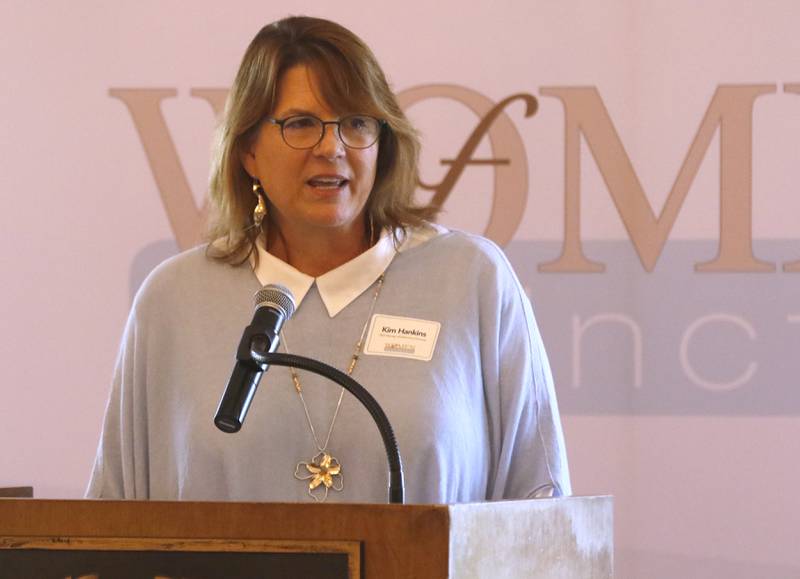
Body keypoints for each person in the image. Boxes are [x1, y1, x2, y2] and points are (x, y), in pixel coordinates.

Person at [86, 15, 570, 503]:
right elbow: (112, 522)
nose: (332, 148)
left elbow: (541, 510)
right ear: (248, 149)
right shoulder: (173, 299)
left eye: (356, 123)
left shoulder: (472, 279)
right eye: (301, 124)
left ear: (383, 143)